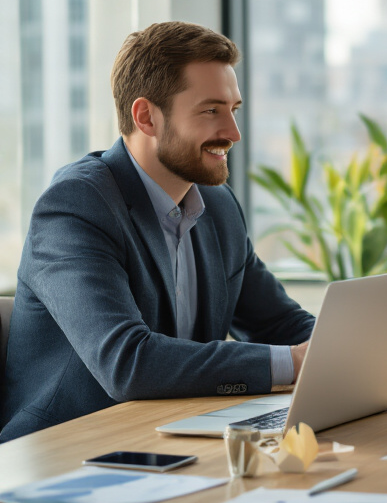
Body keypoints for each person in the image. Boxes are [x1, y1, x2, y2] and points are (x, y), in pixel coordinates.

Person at [0, 22, 315, 442]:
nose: (232, 133)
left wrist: (347, 350)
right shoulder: (76, 205)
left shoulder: (218, 207)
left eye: (233, 110)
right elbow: (127, 363)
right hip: (65, 453)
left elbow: (278, 323)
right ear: (146, 117)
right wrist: (293, 363)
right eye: (210, 111)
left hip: (171, 440)